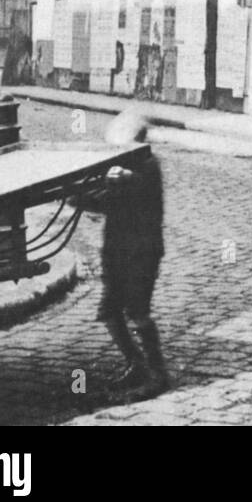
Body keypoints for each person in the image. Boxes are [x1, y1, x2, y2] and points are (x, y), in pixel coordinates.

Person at [88, 106, 169, 402]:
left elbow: (117, 193)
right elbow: (102, 201)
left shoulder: (147, 168)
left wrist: (104, 187)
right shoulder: (125, 169)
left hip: (141, 253)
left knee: (137, 311)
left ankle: (158, 375)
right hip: (116, 249)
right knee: (110, 310)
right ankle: (136, 363)